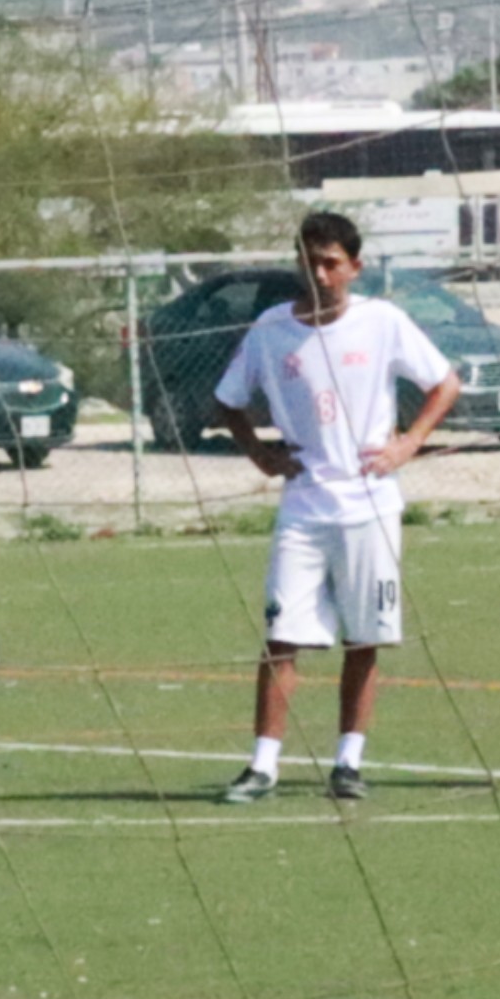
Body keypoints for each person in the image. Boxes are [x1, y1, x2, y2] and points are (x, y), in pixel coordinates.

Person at [206, 212, 459, 805]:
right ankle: (263, 765)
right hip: (304, 507)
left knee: (364, 638)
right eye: (310, 261)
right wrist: (260, 455)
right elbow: (227, 400)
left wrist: (408, 443)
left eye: (331, 263)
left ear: (355, 267)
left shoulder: (383, 321)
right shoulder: (271, 329)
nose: (320, 273)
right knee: (281, 636)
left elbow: (445, 383)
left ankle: (349, 760)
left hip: (368, 503)